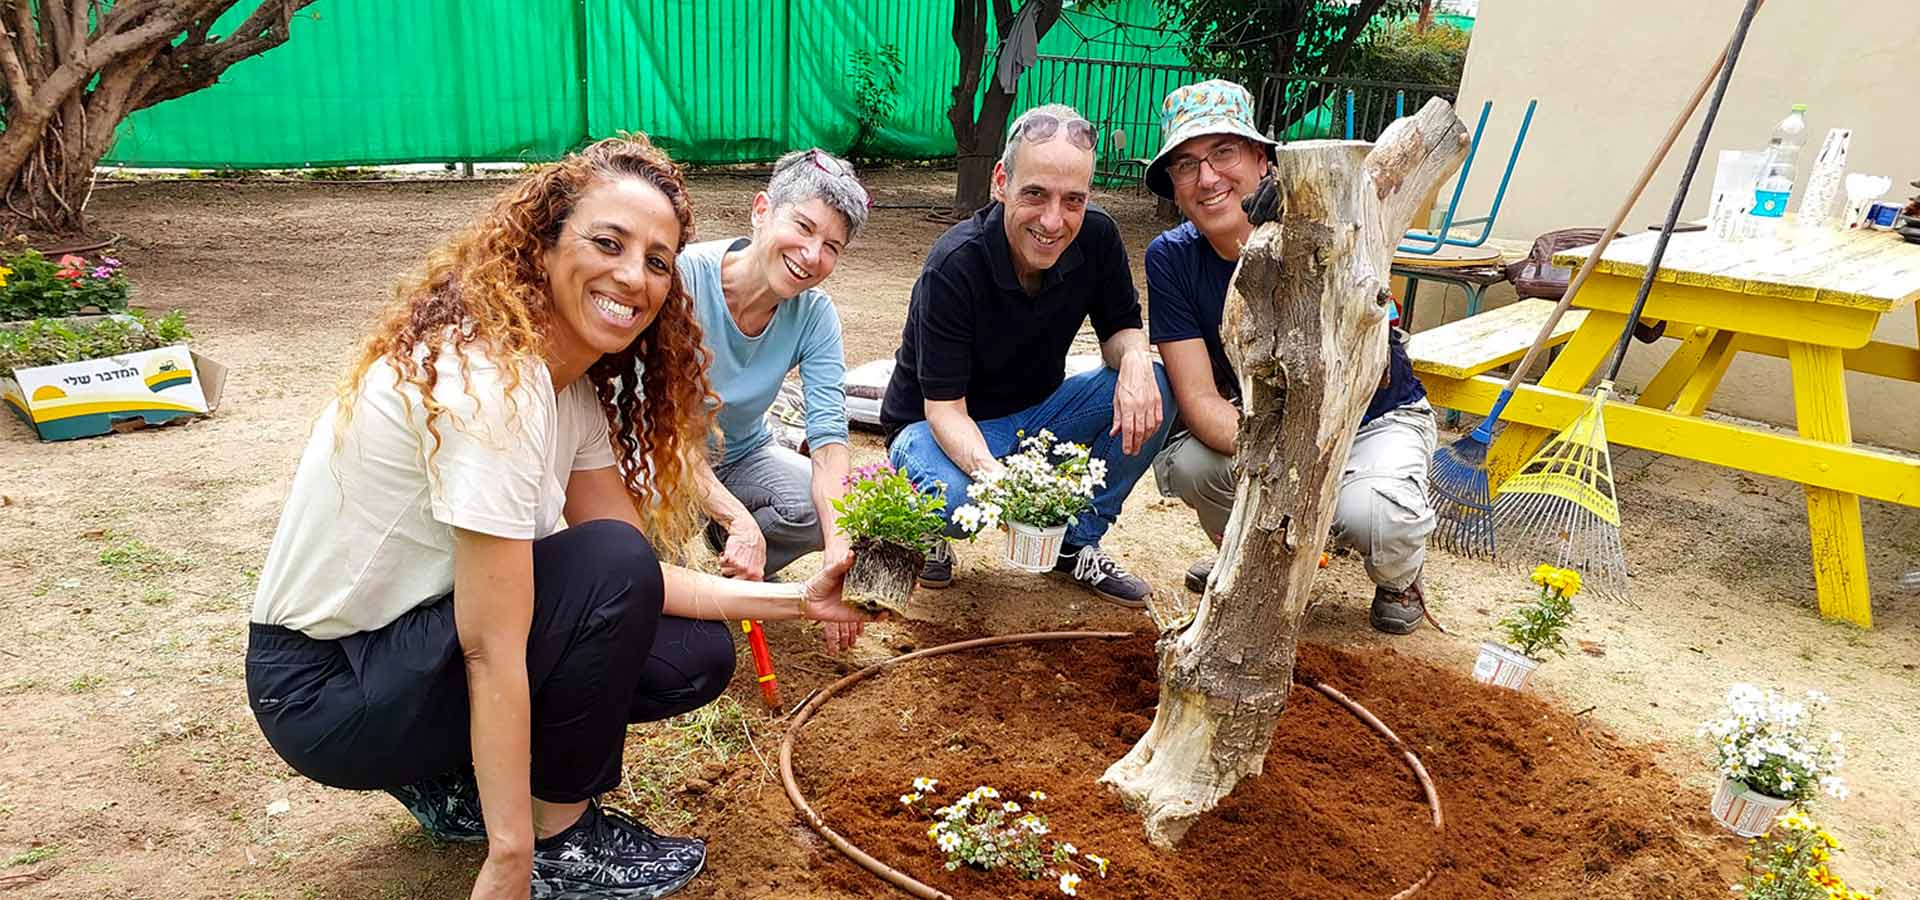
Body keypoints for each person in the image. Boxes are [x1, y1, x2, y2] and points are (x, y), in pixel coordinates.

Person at [244, 135, 868, 900]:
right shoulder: (490, 383)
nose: (632, 275)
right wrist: (511, 856)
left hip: (400, 649)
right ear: (541, 245)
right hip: (323, 686)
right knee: (603, 563)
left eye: (657, 261)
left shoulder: (569, 388)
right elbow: (492, 645)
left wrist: (796, 600)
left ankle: (450, 780)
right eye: (608, 243)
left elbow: (639, 577)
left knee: (689, 652)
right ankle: (561, 843)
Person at [1141, 80, 1440, 634]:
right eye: (1186, 164)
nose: (1207, 178)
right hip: (1267, 424)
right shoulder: (1172, 259)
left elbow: (1366, 362)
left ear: (1262, 160)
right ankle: (1246, 556)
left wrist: (1308, 236)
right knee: (1191, 466)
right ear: (1175, 187)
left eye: (1223, 153)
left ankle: (1401, 576)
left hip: (1371, 418)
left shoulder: (1326, 223)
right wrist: (1283, 454)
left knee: (1375, 516)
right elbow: (1201, 399)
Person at [881, 103, 1174, 607]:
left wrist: (1133, 359)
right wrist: (1008, 488)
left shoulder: (1098, 237)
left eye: (1073, 200)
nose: (1053, 220)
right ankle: (926, 524)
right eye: (1035, 194)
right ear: (1001, 181)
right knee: (953, 501)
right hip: (938, 426)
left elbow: (1122, 330)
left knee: (1159, 386)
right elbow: (945, 410)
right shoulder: (955, 264)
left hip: (1037, 417)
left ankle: (1077, 542)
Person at [680, 148, 868, 652]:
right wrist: (739, 518)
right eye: (804, 227)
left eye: (832, 246)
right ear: (762, 210)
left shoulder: (814, 315)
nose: (812, 256)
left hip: (741, 454)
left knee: (815, 508)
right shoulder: (683, 283)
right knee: (647, 579)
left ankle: (725, 558)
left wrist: (838, 554)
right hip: (661, 464)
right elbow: (664, 436)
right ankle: (709, 555)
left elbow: (829, 443)